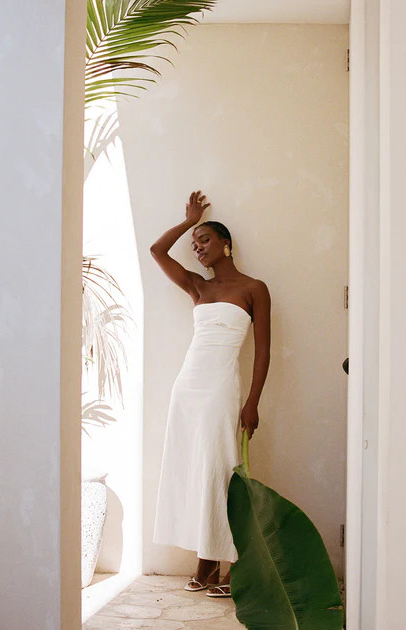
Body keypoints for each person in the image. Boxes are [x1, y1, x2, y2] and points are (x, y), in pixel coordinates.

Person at [150, 190, 271, 597]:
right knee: (193, 470)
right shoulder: (197, 287)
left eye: (204, 240)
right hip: (187, 387)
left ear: (226, 243)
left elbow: (263, 350)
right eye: (194, 245)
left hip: (221, 387)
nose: (198, 248)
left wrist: (252, 401)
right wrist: (189, 220)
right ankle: (206, 560)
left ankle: (233, 561)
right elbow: (157, 250)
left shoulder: (255, 288)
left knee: (221, 469)